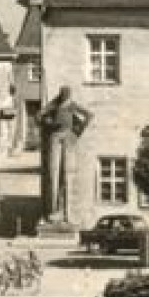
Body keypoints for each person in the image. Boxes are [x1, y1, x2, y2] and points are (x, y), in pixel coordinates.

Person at [38, 86, 93, 222]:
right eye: (63, 95)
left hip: (68, 137)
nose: (65, 97)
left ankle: (67, 212)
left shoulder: (72, 106)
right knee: (53, 172)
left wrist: (78, 131)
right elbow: (38, 115)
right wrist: (48, 123)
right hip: (55, 137)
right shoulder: (54, 104)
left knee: (67, 173)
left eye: (67, 95)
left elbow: (89, 115)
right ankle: (53, 211)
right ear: (61, 95)